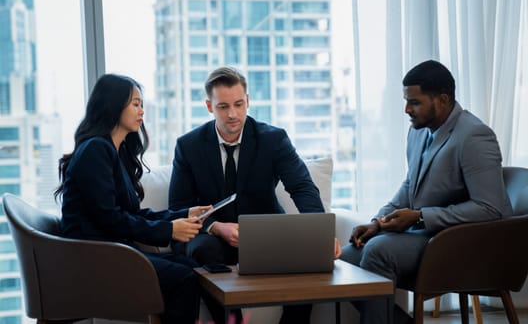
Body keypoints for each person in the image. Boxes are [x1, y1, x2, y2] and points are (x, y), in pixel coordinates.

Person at [340, 60, 513, 324]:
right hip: (432, 235)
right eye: (406, 101)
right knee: (348, 257)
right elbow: (411, 185)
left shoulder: (474, 136)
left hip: (471, 244)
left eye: (415, 102)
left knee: (378, 252)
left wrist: (420, 216)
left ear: (442, 99)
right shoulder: (418, 132)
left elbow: (489, 208)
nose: (407, 109)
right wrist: (378, 222)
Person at [168, 66, 342, 324]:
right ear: (209, 106)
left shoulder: (273, 139)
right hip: (212, 239)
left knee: (310, 256)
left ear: (248, 101)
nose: (232, 114)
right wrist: (216, 227)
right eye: (223, 106)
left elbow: (302, 187)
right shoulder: (188, 145)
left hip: (266, 234)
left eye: (239, 104)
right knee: (201, 249)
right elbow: (178, 207)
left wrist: (320, 234)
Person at [54, 73, 213, 324]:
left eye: (142, 104)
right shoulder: (96, 150)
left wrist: (182, 215)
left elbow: (132, 214)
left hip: (113, 253)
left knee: (189, 266)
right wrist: (169, 230)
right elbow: (111, 219)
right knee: (184, 278)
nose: (141, 111)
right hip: (96, 259)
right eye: (135, 104)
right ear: (113, 105)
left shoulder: (115, 152)